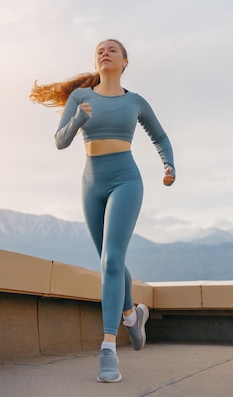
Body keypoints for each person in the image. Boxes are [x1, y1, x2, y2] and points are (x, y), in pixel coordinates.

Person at [29, 39, 175, 383]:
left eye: (112, 50)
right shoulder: (82, 98)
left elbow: (160, 136)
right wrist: (79, 117)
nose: (105, 53)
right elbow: (60, 141)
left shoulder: (134, 101)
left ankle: (108, 350)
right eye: (99, 51)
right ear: (96, 63)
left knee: (110, 261)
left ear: (125, 61)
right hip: (91, 184)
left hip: (126, 180)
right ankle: (132, 314)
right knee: (109, 261)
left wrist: (168, 165)